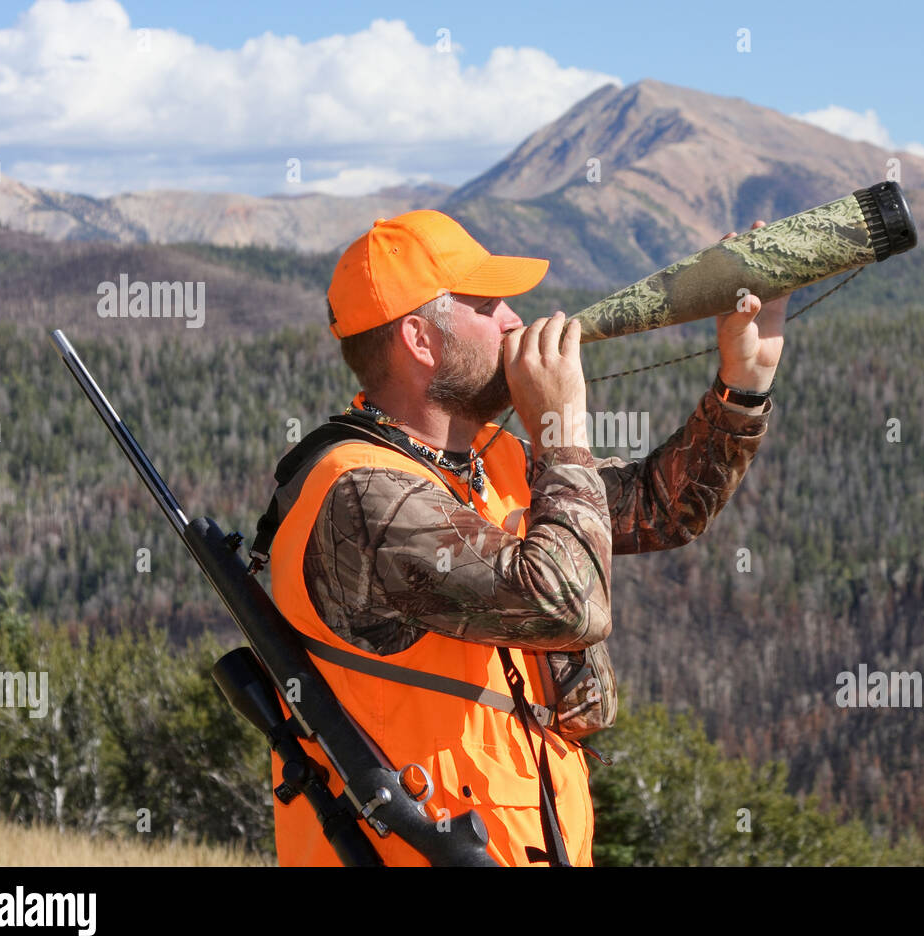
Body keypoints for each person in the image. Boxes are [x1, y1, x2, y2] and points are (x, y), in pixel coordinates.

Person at [263, 209, 787, 866]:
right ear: (420, 340)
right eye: (488, 304)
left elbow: (660, 507)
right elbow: (569, 606)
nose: (516, 319)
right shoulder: (363, 494)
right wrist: (561, 429)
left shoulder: (495, 457)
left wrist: (745, 378)